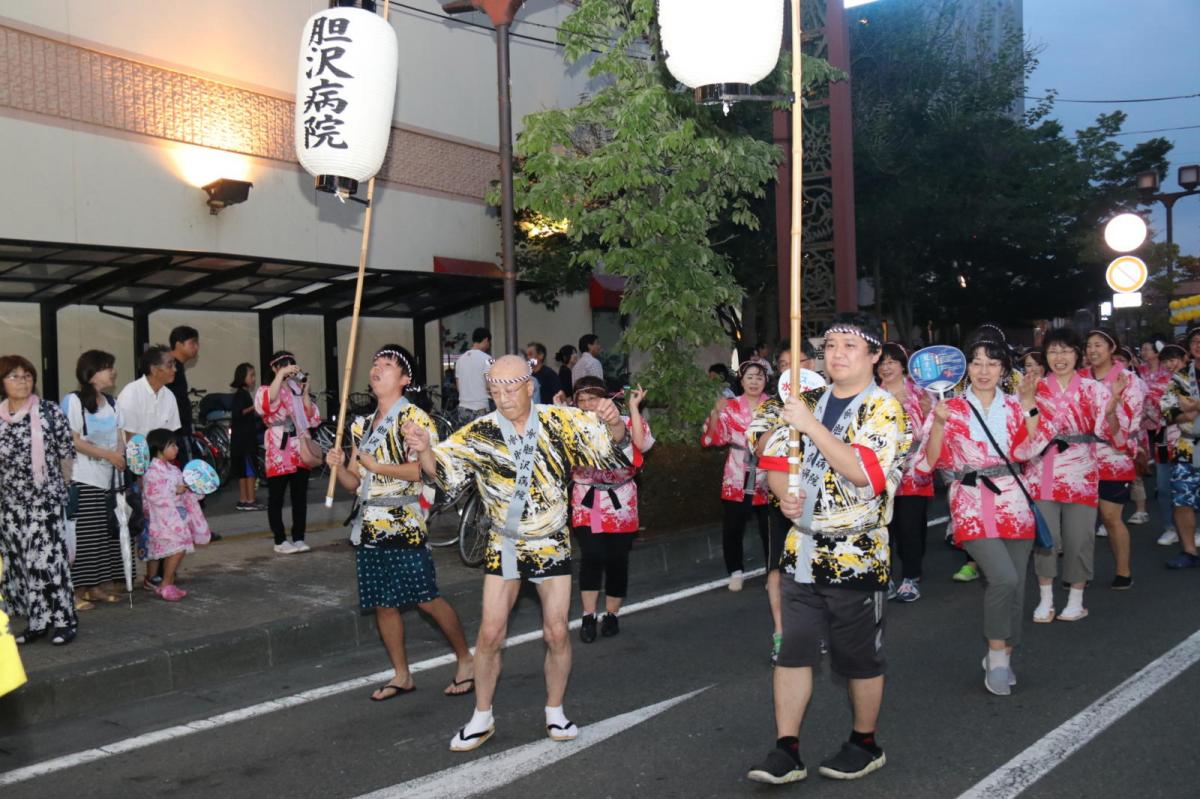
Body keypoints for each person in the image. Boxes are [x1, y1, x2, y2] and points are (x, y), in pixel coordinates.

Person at [403, 355, 631, 752]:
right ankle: (482, 716)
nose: (504, 397)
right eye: (495, 391)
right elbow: (441, 472)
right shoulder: (481, 432)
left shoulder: (560, 421)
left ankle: (555, 710)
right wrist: (424, 450)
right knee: (490, 634)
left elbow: (613, 446)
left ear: (529, 387)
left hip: (551, 541)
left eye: (511, 389)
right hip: (504, 543)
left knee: (556, 631)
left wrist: (615, 422)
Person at [746, 313, 909, 785]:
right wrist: (785, 495)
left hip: (857, 553)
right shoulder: (807, 399)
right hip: (801, 548)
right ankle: (786, 749)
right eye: (831, 345)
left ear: (875, 356)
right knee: (792, 652)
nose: (836, 354)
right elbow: (773, 456)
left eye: (850, 346)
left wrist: (811, 427)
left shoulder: (884, 408)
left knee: (858, 659)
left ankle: (865, 742)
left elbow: (865, 473)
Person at [326, 346, 475, 701]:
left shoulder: (414, 419)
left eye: (388, 365)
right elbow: (354, 482)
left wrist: (378, 467)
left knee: (426, 599)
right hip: (369, 525)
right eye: (375, 363)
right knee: (383, 603)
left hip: (404, 523)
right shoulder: (361, 424)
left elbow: (425, 471)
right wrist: (337, 466)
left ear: (405, 379)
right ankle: (402, 674)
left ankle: (466, 660)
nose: (377, 369)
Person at [917, 338, 1044, 695]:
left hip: (1015, 502)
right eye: (976, 362)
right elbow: (928, 462)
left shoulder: (1016, 404)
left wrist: (1030, 404)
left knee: (1016, 584)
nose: (984, 370)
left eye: (992, 363)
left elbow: (1034, 446)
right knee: (1003, 578)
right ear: (965, 369)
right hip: (970, 503)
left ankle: (1005, 654)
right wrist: (938, 423)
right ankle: (997, 657)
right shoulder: (949, 407)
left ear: (1003, 369)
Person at [1023, 328, 1115, 623]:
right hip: (1041, 472)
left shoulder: (1094, 389)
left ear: (1078, 354)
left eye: (1065, 350)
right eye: (1053, 351)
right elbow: (1022, 432)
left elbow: (1109, 432)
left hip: (1080, 473)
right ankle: (1046, 600)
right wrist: (1026, 402)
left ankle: (1076, 600)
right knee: (1046, 539)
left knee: (1080, 537)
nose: (1059, 357)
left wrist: (1112, 409)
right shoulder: (1034, 388)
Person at [0, 355, 78, 645]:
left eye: (27, 375)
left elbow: (66, 453)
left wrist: (62, 488)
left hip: (44, 502)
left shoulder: (48, 411)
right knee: (21, 565)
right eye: (14, 376)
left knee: (47, 562)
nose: (22, 381)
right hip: (10, 505)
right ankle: (38, 622)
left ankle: (65, 621)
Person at [570, 378, 653, 642]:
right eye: (581, 401)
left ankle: (612, 615)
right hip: (587, 500)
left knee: (617, 559)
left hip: (621, 500)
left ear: (605, 399)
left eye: (592, 399)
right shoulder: (572, 426)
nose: (587, 405)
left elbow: (641, 446)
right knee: (592, 556)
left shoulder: (625, 421)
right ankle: (588, 616)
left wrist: (634, 408)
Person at [62, 350, 127, 607]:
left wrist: (119, 455)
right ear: (91, 373)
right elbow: (73, 440)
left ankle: (94, 587)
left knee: (100, 536)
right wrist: (109, 455)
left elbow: (120, 436)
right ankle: (75, 592)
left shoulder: (112, 403)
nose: (113, 372)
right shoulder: (74, 401)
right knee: (84, 537)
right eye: (107, 367)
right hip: (82, 477)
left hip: (107, 479)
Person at [1082, 328, 1144, 589]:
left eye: (1098, 345)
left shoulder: (1127, 379)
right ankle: (1080, 574)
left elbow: (1133, 419)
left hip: (1114, 456)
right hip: (1080, 457)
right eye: (1089, 345)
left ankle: (1123, 571)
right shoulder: (1079, 378)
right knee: (1081, 521)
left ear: (1112, 349)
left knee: (1110, 516)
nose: (1092, 350)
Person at [702, 359, 771, 592]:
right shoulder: (729, 406)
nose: (754, 382)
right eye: (749, 377)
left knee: (770, 527)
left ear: (766, 381)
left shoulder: (774, 407)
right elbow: (714, 439)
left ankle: (773, 572)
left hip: (767, 472)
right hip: (737, 471)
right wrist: (715, 412)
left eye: (759, 377)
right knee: (733, 526)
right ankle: (735, 571)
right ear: (741, 381)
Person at [117, 345, 182, 589]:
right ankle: (137, 574)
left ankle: (162, 573)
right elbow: (131, 439)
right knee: (142, 523)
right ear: (154, 369)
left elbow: (171, 438)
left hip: (162, 470)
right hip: (136, 468)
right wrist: (142, 475)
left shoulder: (169, 396)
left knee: (166, 520)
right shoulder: (131, 393)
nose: (174, 369)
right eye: (170, 365)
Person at [875, 342, 933, 602]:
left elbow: (928, 431)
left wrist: (927, 411)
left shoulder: (920, 393)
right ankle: (885, 576)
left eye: (892, 362)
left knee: (910, 525)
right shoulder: (872, 394)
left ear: (903, 366)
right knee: (883, 527)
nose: (886, 367)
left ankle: (910, 577)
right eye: (882, 362)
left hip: (913, 470)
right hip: (881, 471)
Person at [256, 351, 320, 555]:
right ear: (274, 368)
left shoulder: (296, 389)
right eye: (284, 365)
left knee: (299, 496)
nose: (289, 369)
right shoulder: (265, 389)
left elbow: (312, 418)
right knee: (276, 497)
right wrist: (280, 376)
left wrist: (306, 393)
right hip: (279, 448)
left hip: (299, 446)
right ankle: (280, 540)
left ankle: (299, 537)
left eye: (291, 365)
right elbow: (267, 404)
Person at [141, 428, 210, 601]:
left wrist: (194, 489)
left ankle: (167, 583)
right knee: (177, 549)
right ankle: (165, 584)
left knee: (176, 549)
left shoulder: (173, 470)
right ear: (159, 448)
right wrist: (174, 490)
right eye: (172, 445)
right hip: (162, 519)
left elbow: (184, 491)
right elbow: (153, 495)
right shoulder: (151, 471)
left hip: (176, 517)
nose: (176, 449)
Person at [1160, 328, 1200, 568]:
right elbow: (1168, 410)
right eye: (1195, 341)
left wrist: (1192, 406)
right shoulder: (1180, 377)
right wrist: (1188, 413)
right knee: (1182, 499)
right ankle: (1189, 550)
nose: (1199, 344)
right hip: (1187, 444)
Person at [1148, 344, 1186, 545]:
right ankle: (1169, 527)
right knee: (1164, 487)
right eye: (1166, 361)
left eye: (1173, 360)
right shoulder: (1156, 384)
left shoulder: (1192, 381)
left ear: (1184, 358)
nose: (1170, 365)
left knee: (1190, 486)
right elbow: (1153, 411)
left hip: (1190, 440)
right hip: (1164, 439)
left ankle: (1195, 528)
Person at [228, 363, 263, 511]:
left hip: (240, 440)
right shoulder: (241, 394)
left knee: (243, 472)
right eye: (251, 375)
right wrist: (255, 407)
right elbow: (239, 413)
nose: (254, 378)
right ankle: (250, 500)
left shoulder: (242, 393)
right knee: (250, 471)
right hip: (245, 440)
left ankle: (243, 499)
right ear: (242, 377)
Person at [454, 328, 492, 426]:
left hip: (462, 408)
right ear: (486, 340)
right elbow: (489, 385)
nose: (489, 346)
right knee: (481, 436)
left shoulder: (460, 360)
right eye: (489, 342)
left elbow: (458, 387)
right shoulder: (487, 359)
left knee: (465, 436)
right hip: (480, 408)